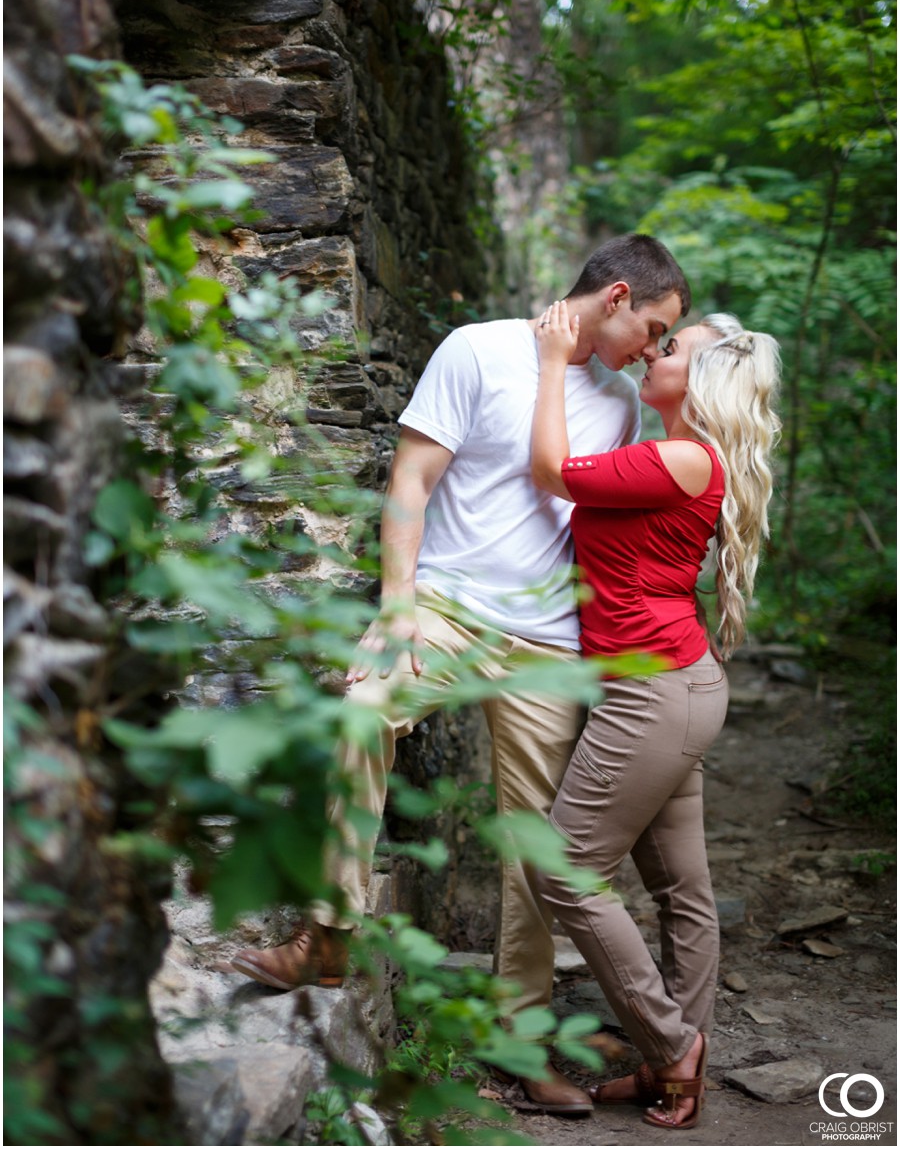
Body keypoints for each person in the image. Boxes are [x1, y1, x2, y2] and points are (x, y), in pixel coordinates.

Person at [232, 233, 691, 1116]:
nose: (655, 349)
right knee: (360, 713)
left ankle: (517, 1034)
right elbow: (413, 473)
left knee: (535, 841)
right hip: (443, 611)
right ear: (619, 295)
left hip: (547, 641)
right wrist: (397, 605)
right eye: (656, 327)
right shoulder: (475, 348)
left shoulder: (622, 399)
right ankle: (328, 934)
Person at [529, 299, 780, 1129]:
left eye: (669, 347)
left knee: (561, 868)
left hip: (654, 694)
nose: (652, 352)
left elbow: (554, 471)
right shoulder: (685, 454)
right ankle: (677, 1062)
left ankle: (671, 1047)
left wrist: (554, 363)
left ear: (698, 379)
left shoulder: (681, 457)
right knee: (682, 887)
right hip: (674, 685)